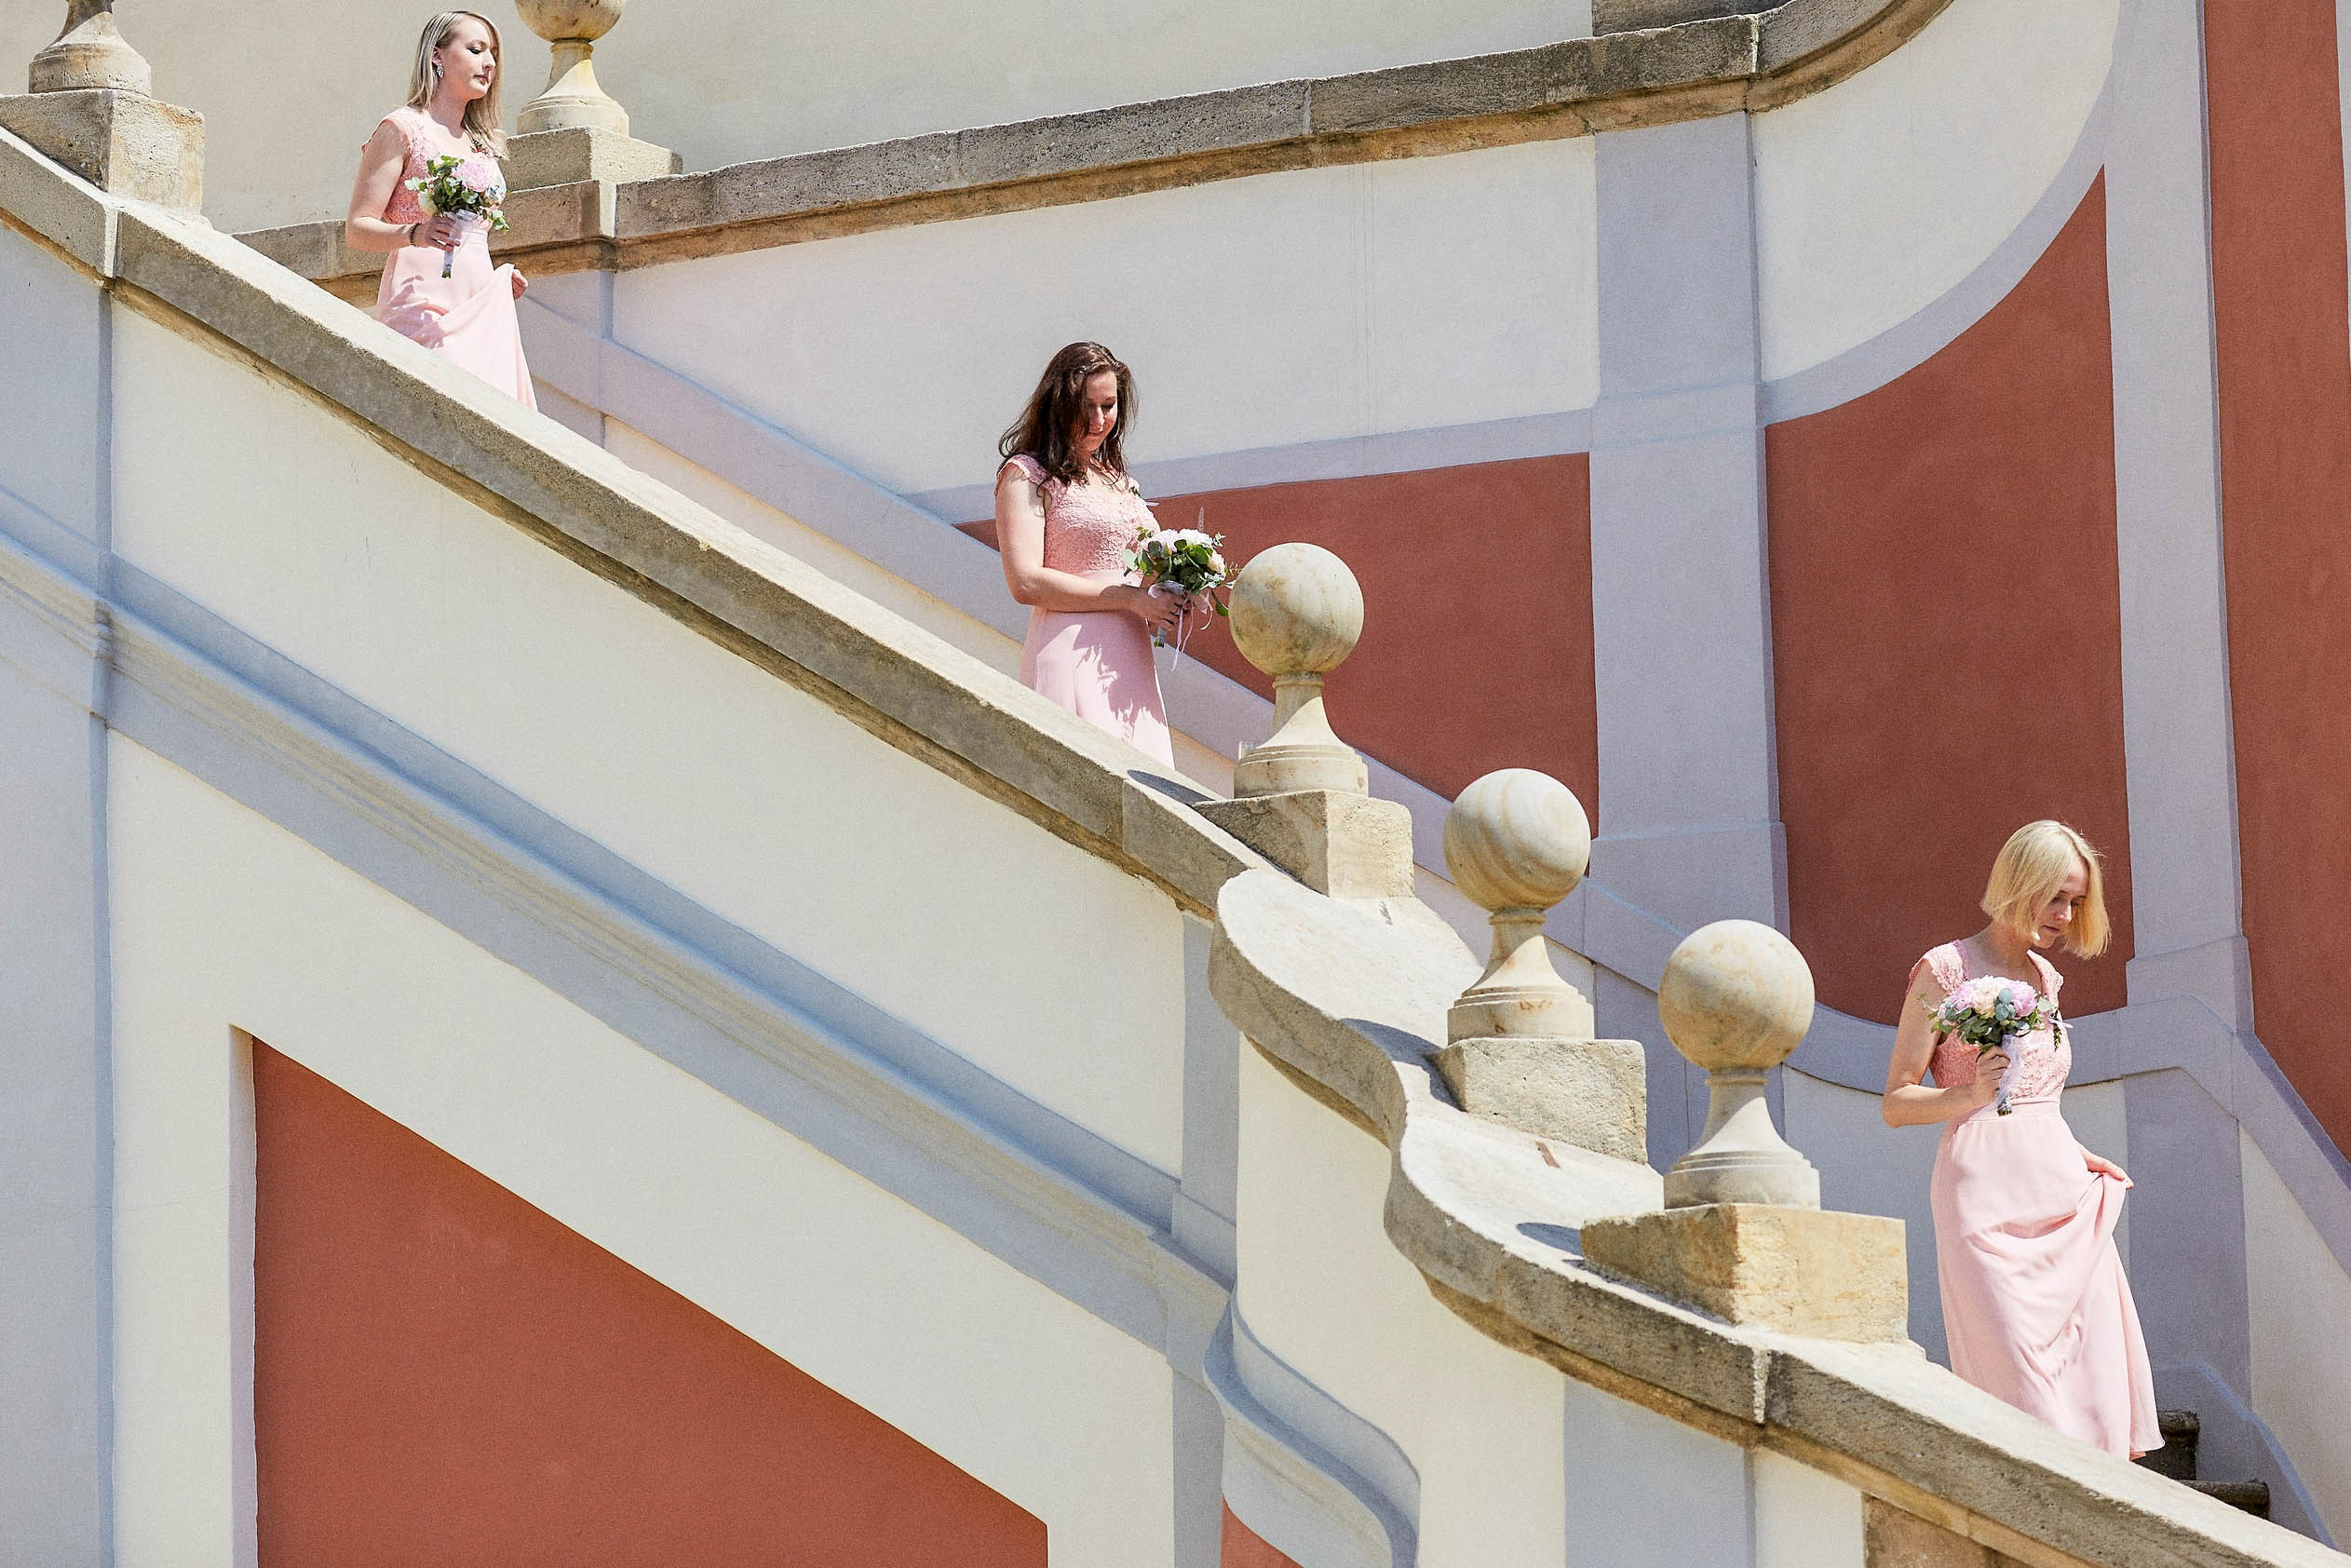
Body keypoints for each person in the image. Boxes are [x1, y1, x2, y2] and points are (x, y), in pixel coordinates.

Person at [1882, 821, 2160, 1458]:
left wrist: (2075, 1154)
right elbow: (1895, 1103)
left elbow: (2038, 1099)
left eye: (2075, 902)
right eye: (2054, 897)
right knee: (2023, 1397)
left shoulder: (2045, 979)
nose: (2064, 916)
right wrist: (1965, 1096)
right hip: (1982, 1205)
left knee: (2087, 1393)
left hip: (2061, 1195)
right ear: (2018, 883)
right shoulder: (1942, 969)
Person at [993, 342, 1196, 768]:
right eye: (1086, 406)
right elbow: (1025, 582)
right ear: (1057, 403)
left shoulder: (1119, 480)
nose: (1099, 420)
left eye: (1109, 405)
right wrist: (1127, 598)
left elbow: (1138, 574)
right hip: (1071, 649)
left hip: (1129, 658)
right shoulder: (1026, 474)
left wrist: (1174, 588)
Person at [344, 11, 535, 406]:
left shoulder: (485, 142)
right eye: (476, 49)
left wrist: (501, 278)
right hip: (422, 299)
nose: (489, 64)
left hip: (480, 297)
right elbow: (357, 229)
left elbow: (474, 233)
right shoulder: (401, 129)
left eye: (494, 54)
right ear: (438, 56)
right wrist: (415, 233)